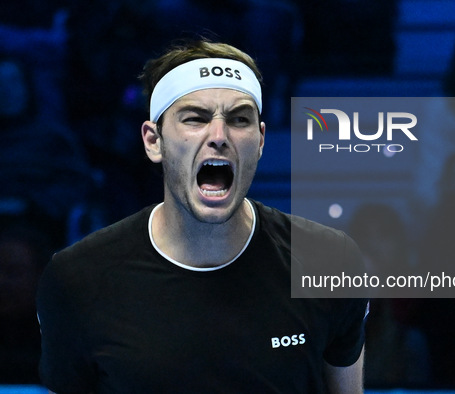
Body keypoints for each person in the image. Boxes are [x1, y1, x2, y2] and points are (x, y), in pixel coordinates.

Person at [36, 38, 367, 393]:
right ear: (153, 141)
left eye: (240, 119)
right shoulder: (77, 278)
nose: (219, 136)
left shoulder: (330, 260)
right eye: (195, 118)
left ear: (259, 140)